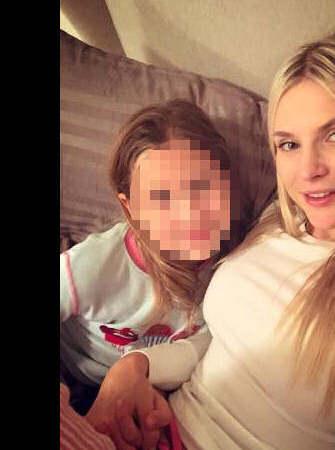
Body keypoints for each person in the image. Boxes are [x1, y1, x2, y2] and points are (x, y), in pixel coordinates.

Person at [85, 26, 335, 450]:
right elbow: (224, 342)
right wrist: (139, 366)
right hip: (160, 432)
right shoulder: (274, 222)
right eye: (289, 144)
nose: (308, 170)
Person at [60, 100, 234, 414]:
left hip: (157, 389)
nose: (189, 214)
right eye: (162, 198)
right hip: (78, 382)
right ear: (129, 207)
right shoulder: (95, 264)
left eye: (203, 188)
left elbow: (212, 341)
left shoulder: (234, 267)